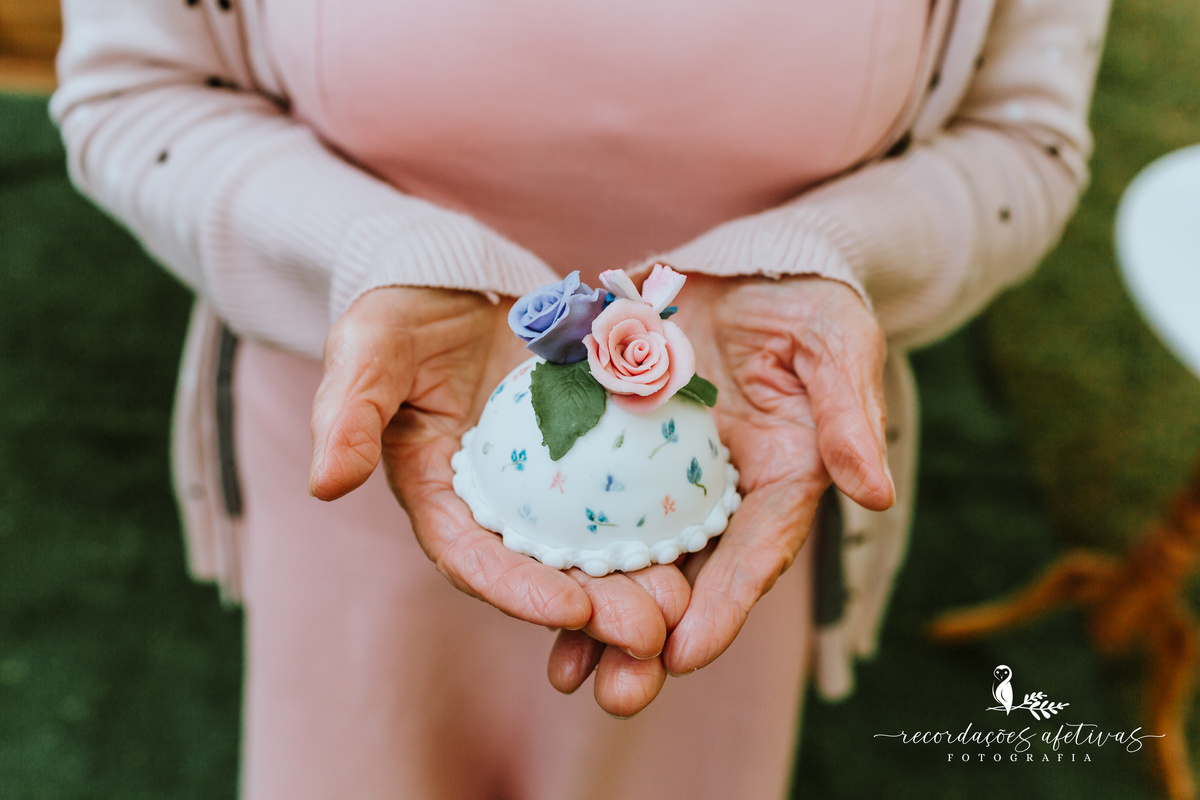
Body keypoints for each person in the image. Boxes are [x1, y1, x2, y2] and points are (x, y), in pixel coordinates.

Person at [51, 0, 1109, 797]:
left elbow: (1025, 140)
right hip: (372, 439)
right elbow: (134, 92)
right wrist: (373, 253)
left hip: (746, 442)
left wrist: (817, 260)